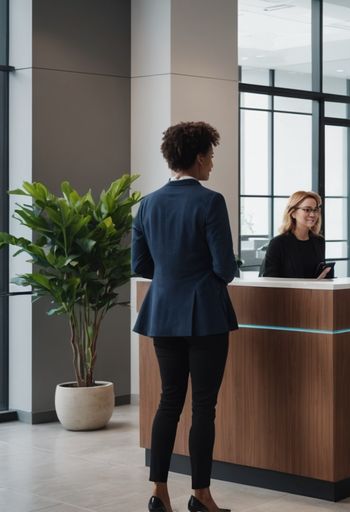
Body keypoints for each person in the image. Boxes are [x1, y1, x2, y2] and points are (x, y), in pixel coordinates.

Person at [133, 121, 236, 512]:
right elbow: (224, 268)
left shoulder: (148, 204)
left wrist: (172, 275)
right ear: (198, 157)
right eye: (210, 155)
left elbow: (141, 263)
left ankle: (158, 493)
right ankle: (201, 495)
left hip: (162, 314)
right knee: (203, 407)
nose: (211, 163)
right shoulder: (210, 201)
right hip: (206, 316)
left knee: (169, 400)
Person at [259, 191, 331, 279]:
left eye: (315, 210)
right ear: (293, 213)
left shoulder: (319, 241)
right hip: (287, 292)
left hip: (313, 292)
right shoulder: (278, 243)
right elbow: (269, 279)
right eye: (307, 210)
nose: (313, 214)